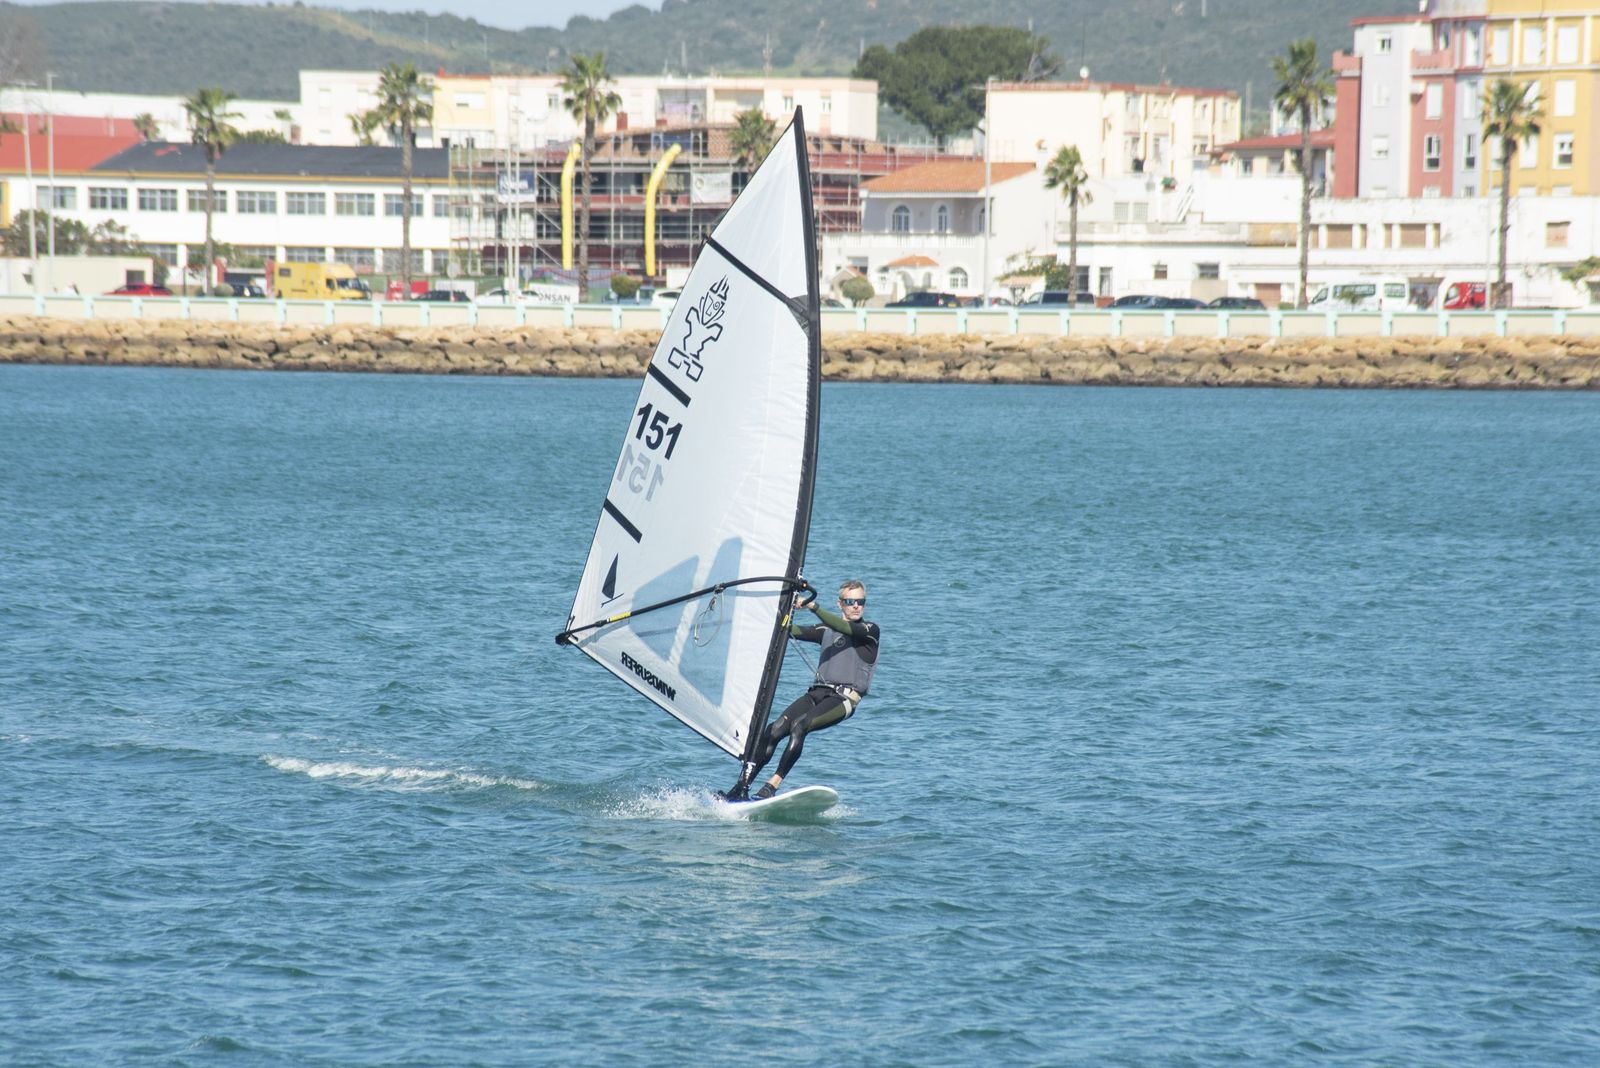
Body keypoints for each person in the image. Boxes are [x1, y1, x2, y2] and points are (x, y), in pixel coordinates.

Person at [721, 579, 880, 801]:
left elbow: (843, 627)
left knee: (799, 727)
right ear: (840, 604)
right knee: (773, 730)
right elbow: (790, 630)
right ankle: (741, 787)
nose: (856, 606)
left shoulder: (870, 631)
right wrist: (773, 614)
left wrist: (812, 606)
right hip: (816, 693)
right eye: (850, 601)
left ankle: (772, 785)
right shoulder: (825, 630)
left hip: (843, 699)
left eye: (860, 602)